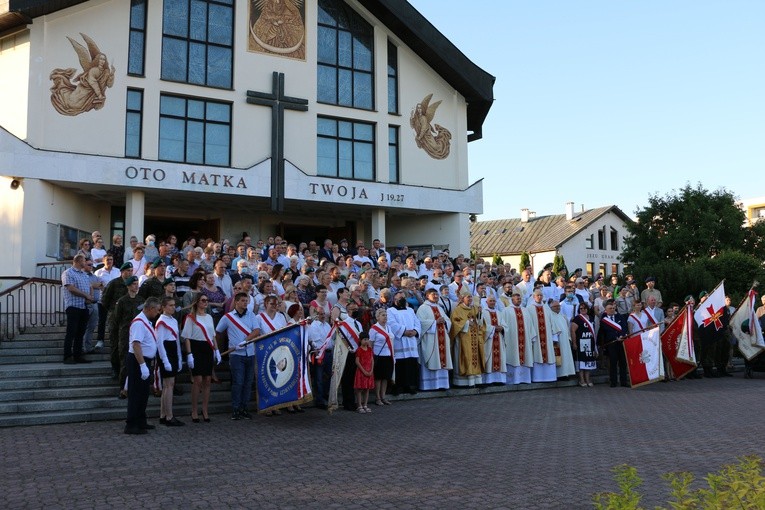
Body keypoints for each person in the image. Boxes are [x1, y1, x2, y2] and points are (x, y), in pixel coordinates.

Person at [216, 292, 260, 420]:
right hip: (236, 354)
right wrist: (218, 350)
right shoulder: (227, 317)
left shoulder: (251, 315)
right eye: (243, 301)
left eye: (246, 301)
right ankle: (236, 409)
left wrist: (246, 340)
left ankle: (244, 408)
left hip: (250, 352)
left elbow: (256, 331)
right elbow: (218, 332)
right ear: (236, 302)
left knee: (247, 383)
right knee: (238, 382)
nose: (245, 303)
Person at [124, 297, 161, 435]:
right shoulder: (139, 323)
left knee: (143, 393)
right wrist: (142, 365)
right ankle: (131, 424)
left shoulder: (146, 321)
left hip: (143, 360)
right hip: (137, 361)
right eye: (157, 310)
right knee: (135, 393)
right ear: (150, 309)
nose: (158, 313)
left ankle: (140, 420)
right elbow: (136, 345)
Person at [182, 293, 221, 422]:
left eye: (207, 300)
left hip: (208, 348)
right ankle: (194, 410)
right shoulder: (191, 317)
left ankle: (204, 409)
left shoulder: (209, 317)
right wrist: (189, 354)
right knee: (197, 380)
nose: (206, 302)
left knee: (208, 380)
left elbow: (213, 335)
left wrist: (217, 351)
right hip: (196, 347)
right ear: (197, 302)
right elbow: (186, 337)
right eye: (203, 300)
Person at [416, 287, 452, 390]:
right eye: (433, 294)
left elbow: (448, 320)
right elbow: (421, 323)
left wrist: (444, 322)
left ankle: (442, 385)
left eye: (437, 294)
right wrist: (435, 322)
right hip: (430, 339)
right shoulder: (423, 308)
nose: (436, 296)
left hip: (442, 339)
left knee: (441, 359)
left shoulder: (440, 307)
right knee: (432, 359)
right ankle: (429, 385)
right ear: (427, 296)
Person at [61, 254, 95, 364]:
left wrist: (90, 296)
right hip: (73, 307)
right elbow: (71, 288)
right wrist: (86, 295)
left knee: (80, 333)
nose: (85, 262)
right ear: (79, 261)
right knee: (71, 332)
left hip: (83, 307)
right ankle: (67, 356)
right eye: (84, 260)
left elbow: (89, 286)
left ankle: (78, 355)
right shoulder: (68, 273)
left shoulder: (84, 275)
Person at [155, 296, 184, 427]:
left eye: (174, 305)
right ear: (164, 307)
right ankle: (169, 416)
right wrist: (165, 360)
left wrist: (179, 358)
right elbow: (160, 343)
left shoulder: (173, 320)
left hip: (173, 351)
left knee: (169, 385)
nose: (173, 307)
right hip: (165, 352)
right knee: (168, 385)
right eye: (170, 305)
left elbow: (177, 340)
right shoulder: (161, 321)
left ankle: (163, 414)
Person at [450, 289, 486, 387]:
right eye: (468, 297)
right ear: (462, 298)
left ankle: (477, 381)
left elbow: (480, 323)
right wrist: (466, 323)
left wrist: (479, 314)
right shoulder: (458, 310)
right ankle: (464, 382)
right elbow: (454, 323)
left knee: (476, 357)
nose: (470, 299)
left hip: (475, 338)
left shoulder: (475, 308)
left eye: (471, 297)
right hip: (464, 338)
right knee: (466, 357)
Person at [387, 291, 421, 394]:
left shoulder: (410, 310)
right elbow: (391, 324)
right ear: (394, 300)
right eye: (399, 298)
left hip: (411, 341)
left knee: (410, 364)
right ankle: (397, 387)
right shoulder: (390, 311)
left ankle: (409, 386)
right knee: (400, 365)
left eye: (403, 298)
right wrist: (404, 331)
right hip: (400, 340)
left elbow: (417, 322)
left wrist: (415, 331)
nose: (402, 300)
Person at [500, 291, 535, 384]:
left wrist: (532, 336)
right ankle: (513, 380)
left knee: (525, 357)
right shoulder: (506, 310)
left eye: (520, 299)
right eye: (517, 298)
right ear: (512, 300)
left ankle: (524, 379)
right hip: (513, 340)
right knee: (513, 357)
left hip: (525, 340)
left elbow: (530, 325)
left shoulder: (525, 310)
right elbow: (503, 325)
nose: (519, 300)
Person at [526, 289, 559, 383]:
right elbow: (528, 324)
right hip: (536, 337)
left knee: (548, 354)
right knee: (537, 355)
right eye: (538, 295)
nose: (539, 297)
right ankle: (537, 377)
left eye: (541, 295)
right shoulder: (529, 309)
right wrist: (531, 336)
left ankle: (550, 377)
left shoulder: (546, 308)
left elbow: (552, 322)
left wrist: (554, 335)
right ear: (533, 297)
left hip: (547, 337)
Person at [598, 299, 629, 387]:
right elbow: (605, 332)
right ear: (606, 310)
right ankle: (613, 381)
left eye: (613, 308)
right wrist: (615, 337)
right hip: (611, 344)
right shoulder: (604, 320)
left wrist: (622, 335)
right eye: (610, 308)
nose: (612, 310)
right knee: (613, 363)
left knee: (623, 363)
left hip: (621, 343)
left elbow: (624, 327)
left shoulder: (620, 317)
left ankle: (623, 382)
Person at [307, 306, 333, 409]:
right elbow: (314, 341)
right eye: (320, 314)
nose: (323, 316)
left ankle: (325, 395)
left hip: (329, 353)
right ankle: (319, 400)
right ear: (316, 315)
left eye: (324, 314)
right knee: (319, 378)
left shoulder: (327, 325)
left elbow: (331, 339)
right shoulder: (313, 326)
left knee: (329, 376)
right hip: (319, 354)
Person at [369, 308, 395, 405]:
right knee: (378, 378)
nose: (385, 317)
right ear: (377, 317)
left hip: (388, 355)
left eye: (386, 315)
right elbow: (370, 344)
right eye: (383, 315)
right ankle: (377, 398)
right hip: (379, 356)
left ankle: (383, 396)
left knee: (385, 377)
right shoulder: (373, 329)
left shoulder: (388, 327)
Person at [481, 295, 507, 384]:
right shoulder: (483, 313)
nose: (492, 302)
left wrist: (502, 328)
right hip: (489, 340)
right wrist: (492, 328)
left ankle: (499, 380)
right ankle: (489, 380)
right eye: (490, 301)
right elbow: (481, 326)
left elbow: (505, 325)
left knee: (499, 358)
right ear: (486, 302)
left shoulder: (499, 313)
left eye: (493, 301)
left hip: (499, 339)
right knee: (489, 359)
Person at [570, 302, 597, 387]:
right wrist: (574, 343)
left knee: (588, 361)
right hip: (581, 342)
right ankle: (582, 379)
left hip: (590, 342)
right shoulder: (577, 318)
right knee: (581, 361)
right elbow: (573, 331)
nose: (583, 310)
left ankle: (587, 378)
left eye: (585, 308)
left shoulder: (591, 318)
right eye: (581, 308)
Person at [549, 300, 576, 379]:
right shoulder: (550, 316)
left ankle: (567, 373)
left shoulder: (563, 316)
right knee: (559, 357)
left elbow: (567, 328)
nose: (558, 307)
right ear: (551, 307)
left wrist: (569, 338)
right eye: (555, 306)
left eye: (558, 306)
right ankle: (560, 375)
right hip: (557, 341)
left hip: (565, 340)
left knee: (566, 356)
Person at [353, 332, 375, 414]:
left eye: (367, 339)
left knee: (367, 389)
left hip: (369, 371)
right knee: (360, 389)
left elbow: (372, 360)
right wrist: (364, 371)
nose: (366, 341)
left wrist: (371, 370)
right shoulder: (359, 350)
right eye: (364, 339)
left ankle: (365, 404)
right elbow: (357, 361)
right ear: (360, 340)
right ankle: (359, 405)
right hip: (361, 372)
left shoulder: (369, 349)